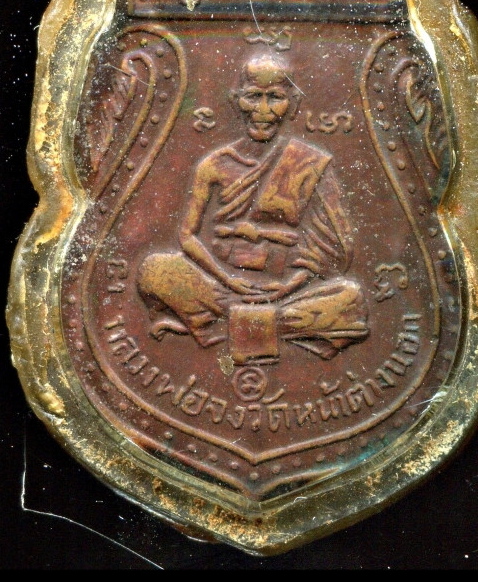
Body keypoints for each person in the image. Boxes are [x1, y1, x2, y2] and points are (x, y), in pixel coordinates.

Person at [138, 48, 368, 361]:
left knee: (350, 297)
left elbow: (330, 250)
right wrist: (228, 280)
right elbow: (187, 236)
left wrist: (287, 288)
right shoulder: (214, 165)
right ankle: (267, 326)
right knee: (155, 269)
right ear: (236, 101)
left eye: (275, 97)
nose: (262, 110)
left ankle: (226, 326)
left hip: (287, 292)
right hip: (222, 286)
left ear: (294, 104)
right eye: (252, 97)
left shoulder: (309, 163)